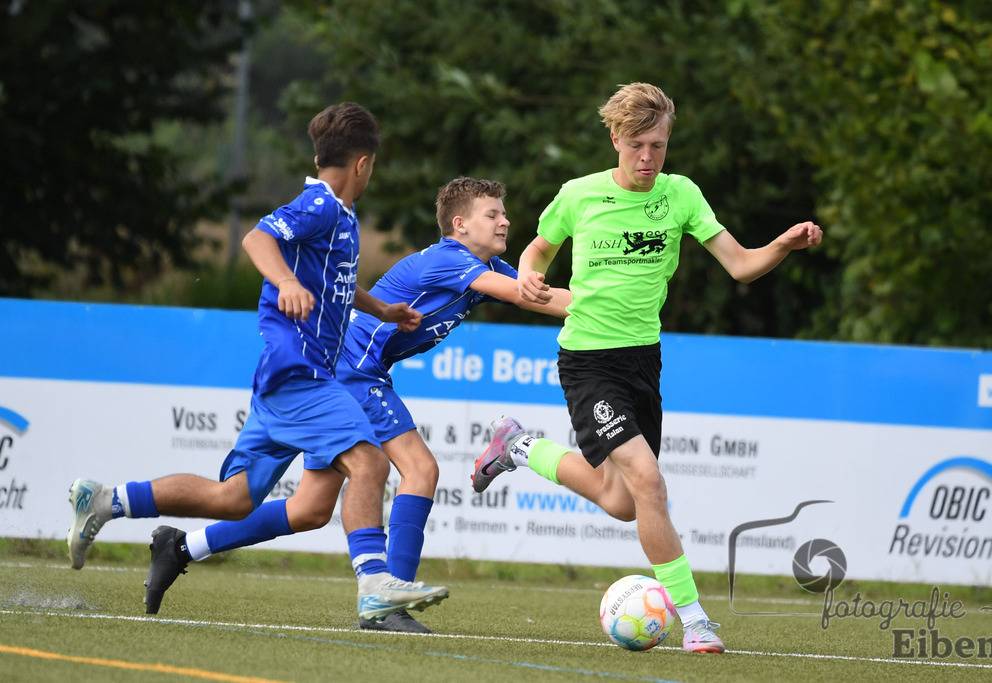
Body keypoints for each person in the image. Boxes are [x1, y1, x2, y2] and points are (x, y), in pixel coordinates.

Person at [471, 82, 823, 654]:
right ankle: (696, 620)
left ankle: (518, 447)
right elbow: (536, 250)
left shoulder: (681, 195)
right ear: (615, 137)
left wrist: (782, 244)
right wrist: (528, 275)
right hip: (587, 361)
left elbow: (740, 266)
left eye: (658, 145)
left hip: (643, 360)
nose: (646, 158)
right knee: (650, 481)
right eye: (637, 144)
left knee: (622, 500)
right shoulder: (579, 195)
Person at [66, 102, 449, 622]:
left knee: (233, 499)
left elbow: (331, 285)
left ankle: (109, 500)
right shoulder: (322, 206)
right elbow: (256, 238)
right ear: (363, 164)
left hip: (283, 382)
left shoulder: (340, 216)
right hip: (302, 374)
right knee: (371, 462)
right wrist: (286, 282)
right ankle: (375, 583)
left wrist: (379, 307)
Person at [338, 176, 571, 632]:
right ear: (460, 224)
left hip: (356, 370)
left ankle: (186, 545)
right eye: (493, 214)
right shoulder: (450, 260)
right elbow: (525, 292)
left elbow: (546, 299)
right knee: (421, 470)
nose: (505, 220)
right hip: (351, 369)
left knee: (306, 506)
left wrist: (617, 308)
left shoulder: (486, 266)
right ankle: (389, 605)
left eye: (504, 213)